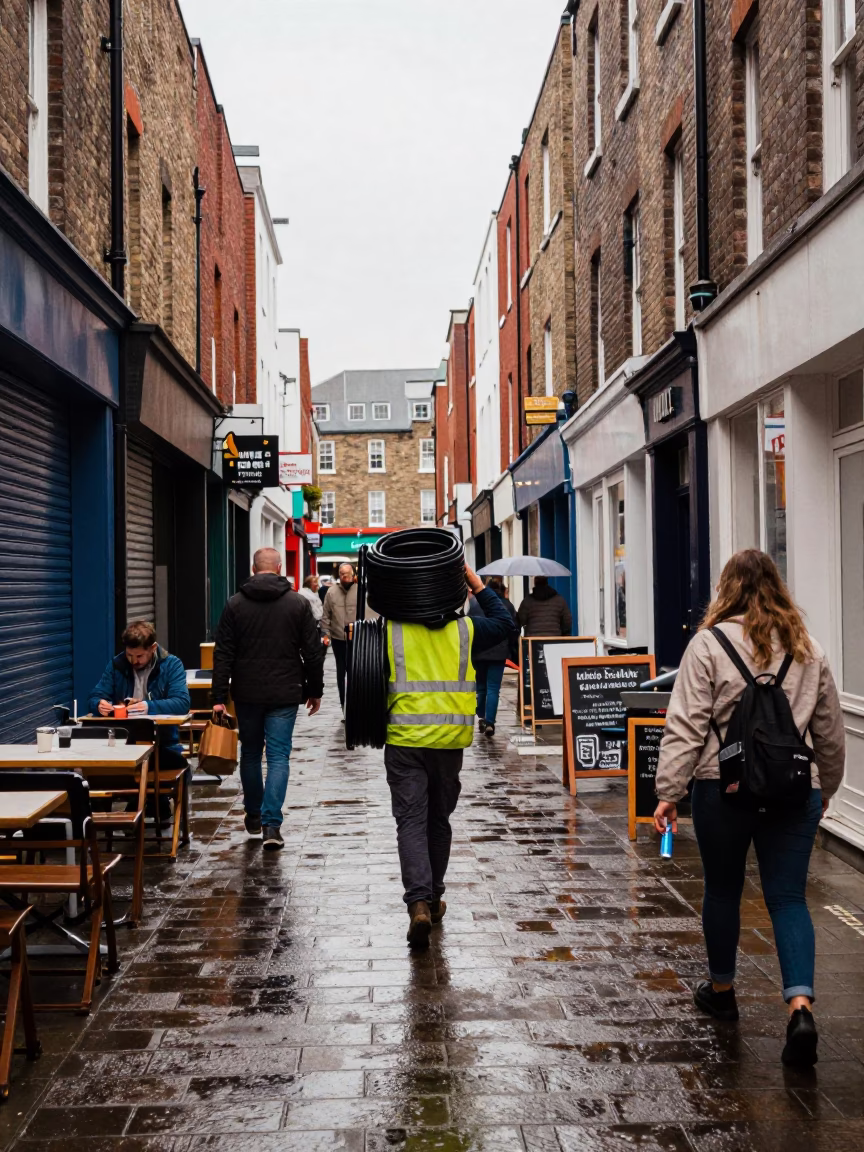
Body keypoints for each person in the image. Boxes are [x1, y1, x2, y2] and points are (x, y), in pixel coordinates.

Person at [653, 549, 845, 1068]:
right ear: (777, 588)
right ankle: (800, 1007)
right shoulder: (809, 649)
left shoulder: (708, 645)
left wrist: (669, 791)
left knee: (722, 889)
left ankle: (722, 991)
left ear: (727, 589)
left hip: (722, 788)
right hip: (792, 790)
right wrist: (827, 785)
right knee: (787, 899)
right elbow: (829, 729)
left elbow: (687, 724)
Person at [386, 565, 516, 948]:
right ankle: (435, 894)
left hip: (404, 739)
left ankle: (419, 904)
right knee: (438, 819)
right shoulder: (465, 629)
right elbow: (505, 622)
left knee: (410, 820)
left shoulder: (390, 631)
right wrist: (477, 584)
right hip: (448, 740)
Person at [212, 547, 324, 851]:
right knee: (278, 756)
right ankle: (271, 824)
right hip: (285, 691)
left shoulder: (234, 605)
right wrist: (315, 689)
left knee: (250, 753)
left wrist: (218, 695)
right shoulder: (298, 604)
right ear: (278, 568)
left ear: (252, 568)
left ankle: (252, 812)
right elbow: (312, 651)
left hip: (247, 692)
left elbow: (223, 653)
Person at [89, 621, 191, 820]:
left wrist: (147, 706)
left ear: (153, 648)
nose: (133, 661)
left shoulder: (171, 664)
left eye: (139, 656)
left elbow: (182, 702)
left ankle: (143, 803)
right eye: (129, 655)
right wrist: (98, 704)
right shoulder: (117, 665)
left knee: (165, 763)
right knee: (99, 770)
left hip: (162, 745)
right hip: (124, 745)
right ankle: (145, 804)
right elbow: (95, 695)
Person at [467, 576, 519, 737]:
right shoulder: (507, 606)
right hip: (498, 653)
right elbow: (513, 629)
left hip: (479, 652)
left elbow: (470, 625)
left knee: (481, 686)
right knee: (493, 688)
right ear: (503, 590)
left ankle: (481, 716)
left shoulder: (475, 604)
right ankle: (490, 721)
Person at [321, 562, 363, 709]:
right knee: (341, 673)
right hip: (339, 639)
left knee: (357, 672)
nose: (344, 577)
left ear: (353, 575)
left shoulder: (361, 590)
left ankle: (356, 705)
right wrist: (325, 633)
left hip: (358, 638)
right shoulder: (332, 592)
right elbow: (326, 615)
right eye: (342, 574)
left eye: (347, 574)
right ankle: (344, 706)